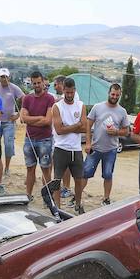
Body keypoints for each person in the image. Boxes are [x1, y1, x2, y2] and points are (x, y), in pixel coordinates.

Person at [84, 83, 130, 205]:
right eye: (113, 94)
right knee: (85, 173)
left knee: (108, 174)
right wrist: (88, 143)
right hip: (95, 147)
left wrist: (116, 132)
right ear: (109, 93)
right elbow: (88, 125)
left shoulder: (122, 111)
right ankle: (78, 196)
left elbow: (126, 131)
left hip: (111, 149)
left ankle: (106, 199)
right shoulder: (97, 107)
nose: (114, 96)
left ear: (120, 95)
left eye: (117, 95)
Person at [51, 78, 87, 214]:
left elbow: (84, 127)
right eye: (67, 92)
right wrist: (76, 125)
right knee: (57, 180)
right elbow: (59, 130)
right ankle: (58, 208)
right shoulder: (57, 107)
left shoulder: (81, 105)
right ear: (63, 90)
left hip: (76, 148)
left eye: (72, 92)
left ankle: (78, 204)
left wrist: (69, 127)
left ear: (75, 91)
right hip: (61, 148)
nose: (70, 95)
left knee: (79, 179)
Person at [20, 71, 56, 201]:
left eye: (39, 83)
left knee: (46, 170)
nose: (37, 85)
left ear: (43, 82)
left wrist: (31, 119)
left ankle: (48, 198)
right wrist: (39, 118)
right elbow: (23, 119)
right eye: (34, 83)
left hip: (45, 140)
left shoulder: (50, 98)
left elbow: (47, 121)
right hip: (29, 139)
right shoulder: (27, 98)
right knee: (30, 169)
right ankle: (28, 195)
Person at [0, 68, 24, 177]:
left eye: (5, 77)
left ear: (9, 77)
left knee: (8, 145)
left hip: (9, 122)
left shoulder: (14, 88)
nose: (4, 79)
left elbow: (24, 99)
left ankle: (7, 168)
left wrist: (18, 115)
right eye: (2, 77)